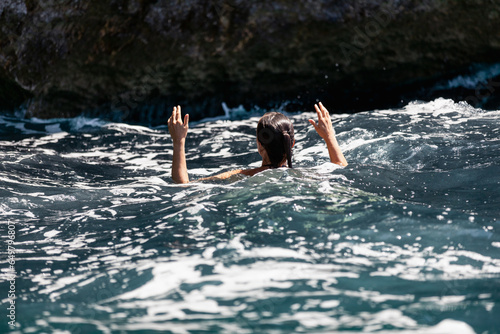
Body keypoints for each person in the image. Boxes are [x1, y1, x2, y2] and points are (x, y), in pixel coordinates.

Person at [168, 102, 347, 184]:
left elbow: (183, 185)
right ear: (292, 143)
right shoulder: (306, 176)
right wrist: (329, 136)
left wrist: (179, 141)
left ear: (259, 144)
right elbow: (340, 167)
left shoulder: (242, 175)